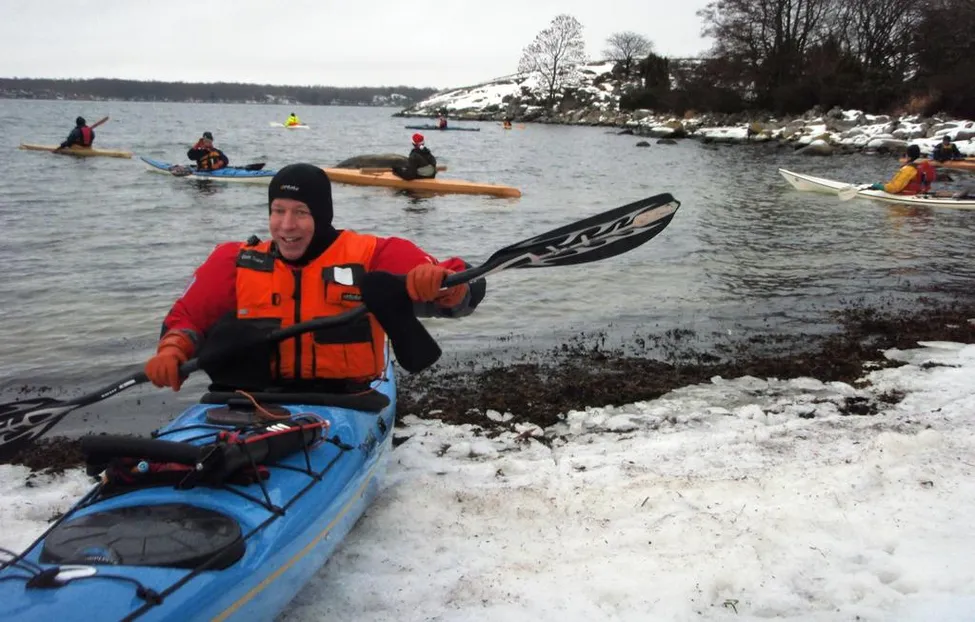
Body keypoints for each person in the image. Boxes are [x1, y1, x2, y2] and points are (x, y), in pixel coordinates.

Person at [143, 163, 484, 393]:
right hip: (256, 401)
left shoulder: (374, 254)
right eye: (278, 211)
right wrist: (172, 350)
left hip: (348, 400)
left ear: (322, 216)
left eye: (301, 212)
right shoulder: (234, 261)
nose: (286, 225)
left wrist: (444, 288)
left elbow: (465, 286)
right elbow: (187, 317)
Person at [868, 144, 937, 195]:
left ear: (908, 157)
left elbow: (894, 188)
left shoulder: (909, 169)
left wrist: (881, 187)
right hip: (922, 192)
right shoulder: (926, 165)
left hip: (908, 194)